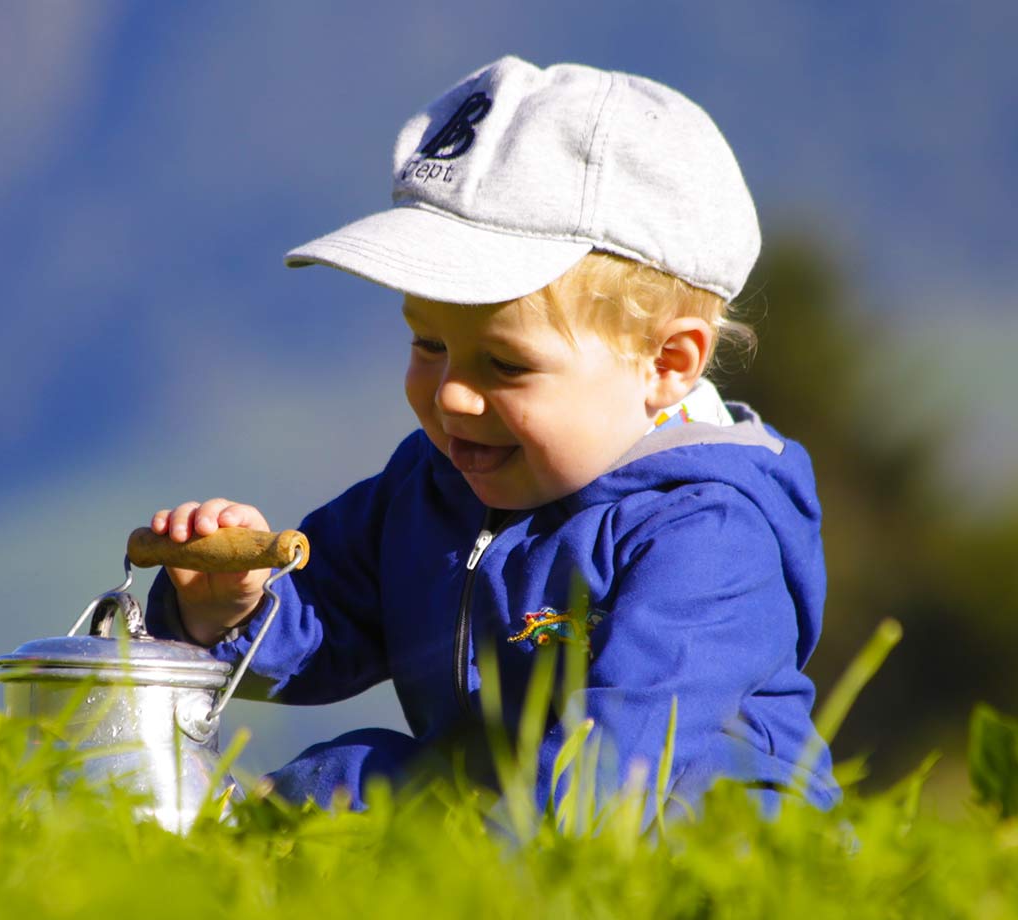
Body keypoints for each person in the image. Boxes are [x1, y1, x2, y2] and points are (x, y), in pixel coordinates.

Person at [140, 56, 840, 815]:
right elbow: (325, 617)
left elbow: (612, 764)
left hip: (701, 864)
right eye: (427, 344)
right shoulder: (429, 486)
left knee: (366, 789)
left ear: (667, 365)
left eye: (504, 363)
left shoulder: (707, 533)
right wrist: (230, 609)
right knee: (351, 772)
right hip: (501, 817)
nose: (452, 396)